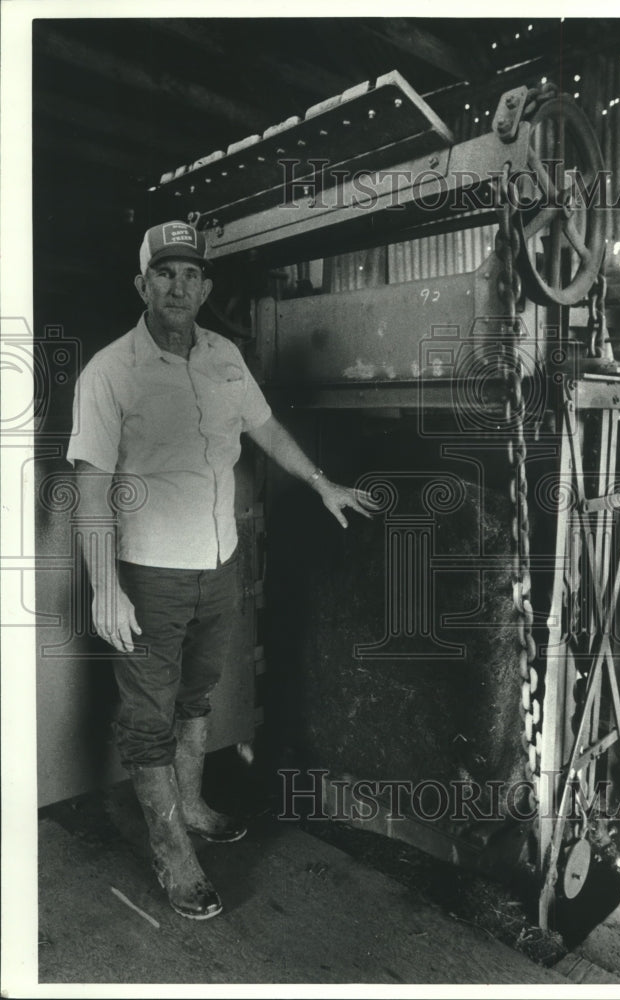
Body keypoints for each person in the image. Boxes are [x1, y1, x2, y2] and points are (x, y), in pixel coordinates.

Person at [67, 220, 369, 920]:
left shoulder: (226, 355)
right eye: (164, 274)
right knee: (147, 718)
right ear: (141, 285)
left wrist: (320, 482)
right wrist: (105, 586)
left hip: (219, 565)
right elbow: (88, 485)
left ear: (206, 285)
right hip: (148, 573)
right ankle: (171, 852)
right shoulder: (111, 371)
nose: (179, 286)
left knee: (197, 696)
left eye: (191, 274)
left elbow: (264, 429)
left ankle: (194, 802)